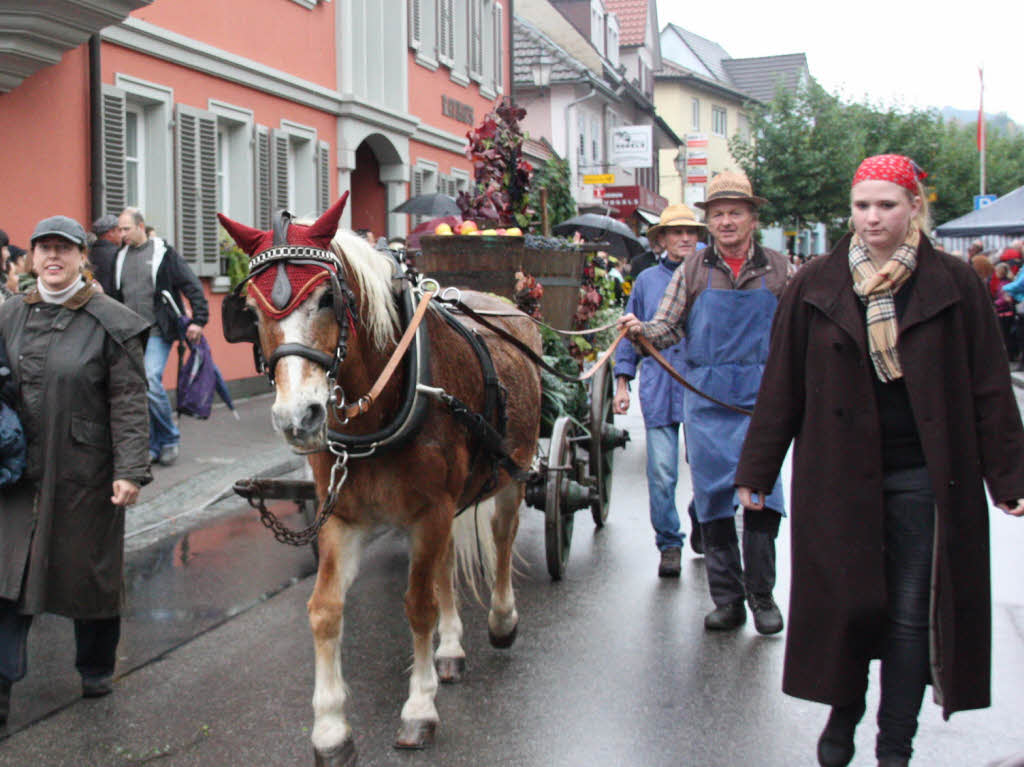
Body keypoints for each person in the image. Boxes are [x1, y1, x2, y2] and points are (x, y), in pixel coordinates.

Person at [734, 154, 1024, 767]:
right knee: (851, 606)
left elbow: (989, 386)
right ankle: (844, 717)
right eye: (863, 205)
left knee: (912, 615)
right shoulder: (815, 283)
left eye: (887, 205)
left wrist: (1008, 475)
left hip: (929, 476)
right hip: (838, 478)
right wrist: (756, 472)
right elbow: (781, 386)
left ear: (914, 207)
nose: (872, 218)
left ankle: (896, 746)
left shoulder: (955, 283)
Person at [618, 171, 791, 634]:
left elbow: (797, 336)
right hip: (707, 401)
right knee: (714, 500)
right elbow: (667, 327)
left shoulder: (779, 269)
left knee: (764, 498)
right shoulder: (693, 271)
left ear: (753, 217)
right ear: (709, 222)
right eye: (718, 214)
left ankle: (763, 596)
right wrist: (641, 331)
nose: (727, 221)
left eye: (736, 212)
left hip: (763, 403)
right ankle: (728, 601)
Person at [0, 215, 150, 724]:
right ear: (33, 257)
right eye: (44, 248)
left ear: (82, 256)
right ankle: (2, 686)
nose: (53, 257)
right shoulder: (10, 314)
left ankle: (94, 669)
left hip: (86, 469)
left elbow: (131, 401)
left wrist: (129, 470)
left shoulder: (111, 319)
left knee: (90, 571)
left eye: (64, 249)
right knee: (8, 573)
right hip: (17, 472)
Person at [613, 203, 704, 578]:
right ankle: (669, 543)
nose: (685, 238)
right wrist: (622, 381)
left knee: (709, 471)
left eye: (691, 232)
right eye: (676, 232)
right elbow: (628, 333)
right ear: (662, 239)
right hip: (661, 386)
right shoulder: (648, 281)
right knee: (662, 473)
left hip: (702, 387)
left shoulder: (710, 274)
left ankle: (705, 520)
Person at [114, 208, 208, 466]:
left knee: (152, 382)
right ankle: (153, 444)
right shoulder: (120, 257)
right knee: (139, 390)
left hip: (158, 331)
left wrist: (199, 319)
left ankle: (169, 438)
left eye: (126, 229)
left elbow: (191, 284)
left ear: (140, 226)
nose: (122, 235)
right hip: (130, 335)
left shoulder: (162, 254)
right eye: (119, 230)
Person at [88, 214, 120, 295]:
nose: (122, 234)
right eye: (119, 230)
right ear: (111, 233)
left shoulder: (88, 253)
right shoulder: (118, 254)